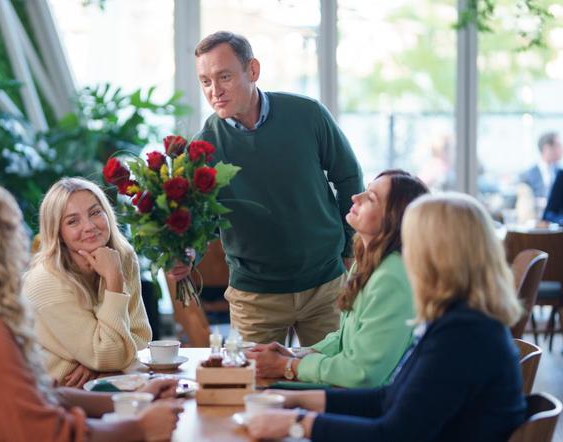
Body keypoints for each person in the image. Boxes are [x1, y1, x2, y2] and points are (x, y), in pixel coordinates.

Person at [0, 173, 183, 441]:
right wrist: (140, 428)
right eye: (12, 229)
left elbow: (39, 393)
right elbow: (44, 434)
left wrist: (137, 397)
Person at [246, 192, 526, 441]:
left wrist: (300, 423)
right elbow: (387, 399)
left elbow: (394, 433)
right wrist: (295, 399)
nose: (404, 255)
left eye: (411, 243)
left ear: (437, 256)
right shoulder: (461, 321)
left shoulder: (463, 335)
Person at [170, 31, 364, 347]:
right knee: (255, 391)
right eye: (205, 81)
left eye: (224, 77)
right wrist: (187, 253)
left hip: (325, 285)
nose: (214, 90)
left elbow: (349, 178)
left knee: (334, 385)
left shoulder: (308, 114)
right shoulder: (203, 147)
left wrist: (347, 249)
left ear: (253, 71)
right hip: (255, 296)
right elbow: (201, 222)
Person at [247, 170, 428, 387]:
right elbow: (345, 339)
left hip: (372, 405)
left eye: (370, 198)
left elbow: (363, 373)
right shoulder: (367, 260)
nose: (355, 197)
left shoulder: (392, 277)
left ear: (393, 219)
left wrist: (288, 366)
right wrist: (299, 355)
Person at [24, 177, 152, 386]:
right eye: (73, 221)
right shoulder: (45, 281)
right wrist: (114, 281)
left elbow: (140, 335)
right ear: (58, 233)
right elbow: (109, 355)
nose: (90, 226)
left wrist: (98, 362)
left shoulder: (122, 256)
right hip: (58, 394)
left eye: (95, 212)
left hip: (110, 382)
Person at [519, 131, 562, 200]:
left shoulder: (559, 172)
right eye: (558, 146)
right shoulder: (527, 176)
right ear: (547, 148)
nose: (561, 149)